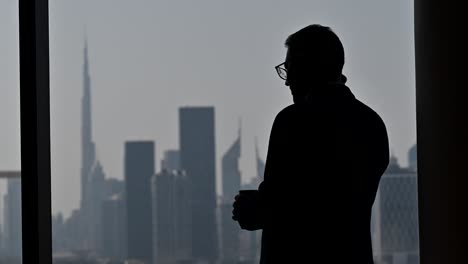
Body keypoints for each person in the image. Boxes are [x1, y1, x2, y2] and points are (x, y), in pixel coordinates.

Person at [232, 24, 389, 264]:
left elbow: (282, 207)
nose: (287, 82)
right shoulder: (372, 124)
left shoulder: (293, 121)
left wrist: (250, 209)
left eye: (290, 69)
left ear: (306, 65)